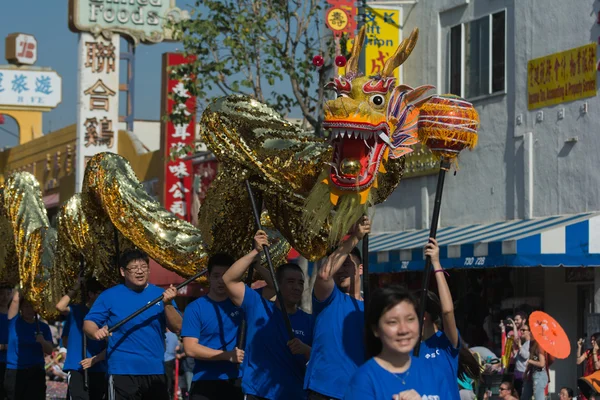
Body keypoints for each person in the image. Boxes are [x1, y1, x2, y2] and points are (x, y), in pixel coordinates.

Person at [223, 230, 312, 400]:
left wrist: (306, 349)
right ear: (276, 284)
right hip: (258, 393)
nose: (296, 287)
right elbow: (228, 279)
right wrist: (255, 252)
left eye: (300, 283)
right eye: (290, 282)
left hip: (295, 394)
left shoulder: (308, 320)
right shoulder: (257, 306)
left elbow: (321, 357)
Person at [84, 249, 182, 400]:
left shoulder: (161, 295)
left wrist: (168, 304)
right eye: (134, 268)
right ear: (123, 271)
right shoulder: (109, 296)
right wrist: (95, 332)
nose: (140, 271)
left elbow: (178, 327)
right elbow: (89, 323)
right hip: (121, 370)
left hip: (155, 369)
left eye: (143, 267)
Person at [305, 216, 369, 400]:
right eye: (339, 266)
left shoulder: (372, 308)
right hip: (324, 390)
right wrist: (355, 237)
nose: (341, 270)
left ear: (361, 269)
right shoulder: (329, 298)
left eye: (347, 264)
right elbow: (325, 275)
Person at [343, 285, 443, 400]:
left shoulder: (434, 373)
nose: (404, 330)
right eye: (393, 322)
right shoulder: (364, 381)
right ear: (376, 329)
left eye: (410, 319)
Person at [181, 253, 244, 400]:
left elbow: (275, 288)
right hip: (205, 381)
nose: (221, 281)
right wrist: (227, 356)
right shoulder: (195, 308)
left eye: (226, 275)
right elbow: (190, 348)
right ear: (208, 277)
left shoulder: (242, 304)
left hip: (236, 380)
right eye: (216, 276)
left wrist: (256, 259)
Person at [414, 238, 460, 400]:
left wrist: (436, 263)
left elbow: (447, 311)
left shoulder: (446, 342)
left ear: (424, 316)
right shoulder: (410, 350)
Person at [56, 277, 107, 400]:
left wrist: (95, 359)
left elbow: (111, 345)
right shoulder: (76, 310)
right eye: (100, 294)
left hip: (99, 367)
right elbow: (60, 307)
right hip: (77, 366)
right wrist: (76, 287)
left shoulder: (106, 314)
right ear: (91, 294)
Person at [4, 290, 54, 400]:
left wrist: (42, 341)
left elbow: (50, 350)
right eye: (26, 306)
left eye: (32, 306)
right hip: (15, 371)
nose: (29, 310)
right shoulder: (14, 322)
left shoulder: (43, 327)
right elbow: (15, 300)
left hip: (36, 371)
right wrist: (26, 282)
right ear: (21, 308)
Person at [521, 323, 548, 400]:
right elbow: (531, 359)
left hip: (540, 374)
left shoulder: (540, 345)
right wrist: (526, 372)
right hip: (532, 373)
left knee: (538, 398)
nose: (530, 333)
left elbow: (542, 363)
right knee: (524, 396)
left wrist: (530, 361)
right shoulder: (531, 344)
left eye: (532, 332)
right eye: (530, 331)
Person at [0, 286, 13, 399]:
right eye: (2, 294)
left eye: (8, 294)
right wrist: (3, 346)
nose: (5, 297)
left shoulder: (16, 316)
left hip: (12, 363)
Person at [164, 329, 179, 400]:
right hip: (173, 358)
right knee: (172, 376)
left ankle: (168, 392)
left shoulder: (165, 335)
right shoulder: (175, 336)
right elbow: (177, 347)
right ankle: (172, 393)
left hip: (166, 358)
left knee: (167, 377)